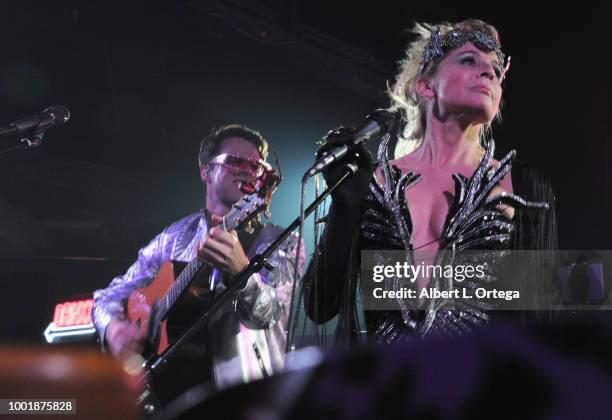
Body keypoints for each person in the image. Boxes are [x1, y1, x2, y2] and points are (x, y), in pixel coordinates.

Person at [302, 19, 557, 346]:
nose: (489, 72)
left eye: (495, 68)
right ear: (425, 85)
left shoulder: (519, 185)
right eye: (469, 60)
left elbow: (540, 321)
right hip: (391, 389)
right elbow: (319, 308)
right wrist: (345, 208)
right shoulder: (375, 183)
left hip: (484, 388)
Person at [92, 125, 304, 398]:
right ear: (205, 171)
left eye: (256, 166)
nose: (247, 170)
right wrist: (114, 328)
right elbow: (109, 295)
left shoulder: (283, 240)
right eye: (234, 161)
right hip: (169, 396)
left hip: (247, 398)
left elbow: (270, 313)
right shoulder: (172, 237)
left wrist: (242, 273)